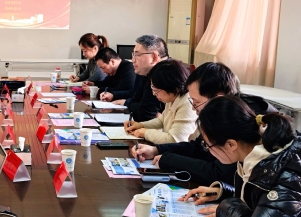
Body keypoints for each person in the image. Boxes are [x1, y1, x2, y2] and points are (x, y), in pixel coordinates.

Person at [132, 62, 276, 185]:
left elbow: (220, 173)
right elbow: (199, 147)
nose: (193, 109)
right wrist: (157, 150)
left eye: (196, 102)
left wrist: (169, 159)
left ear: (217, 98)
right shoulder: (222, 112)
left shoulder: (239, 119)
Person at [125, 59, 197, 144]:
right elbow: (162, 120)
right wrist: (140, 125)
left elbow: (174, 140)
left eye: (156, 90)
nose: (154, 94)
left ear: (172, 86)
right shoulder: (173, 97)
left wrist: (146, 133)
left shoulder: (187, 103)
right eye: (152, 89)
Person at [116, 35, 167, 121]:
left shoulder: (164, 74)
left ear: (154, 57)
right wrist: (138, 106)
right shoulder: (145, 72)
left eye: (137, 55)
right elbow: (134, 101)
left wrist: (138, 107)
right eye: (133, 54)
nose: (133, 59)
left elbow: (145, 114)